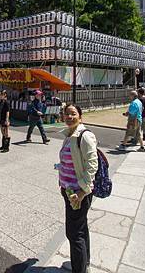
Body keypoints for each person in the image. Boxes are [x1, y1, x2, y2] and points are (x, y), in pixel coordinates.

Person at [57, 103, 99, 273]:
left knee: (74, 234)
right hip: (69, 190)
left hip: (77, 193)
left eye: (73, 114)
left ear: (80, 116)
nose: (69, 117)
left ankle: (79, 269)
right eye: (66, 114)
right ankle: (84, 264)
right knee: (81, 228)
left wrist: (82, 192)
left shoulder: (84, 136)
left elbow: (92, 165)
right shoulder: (70, 134)